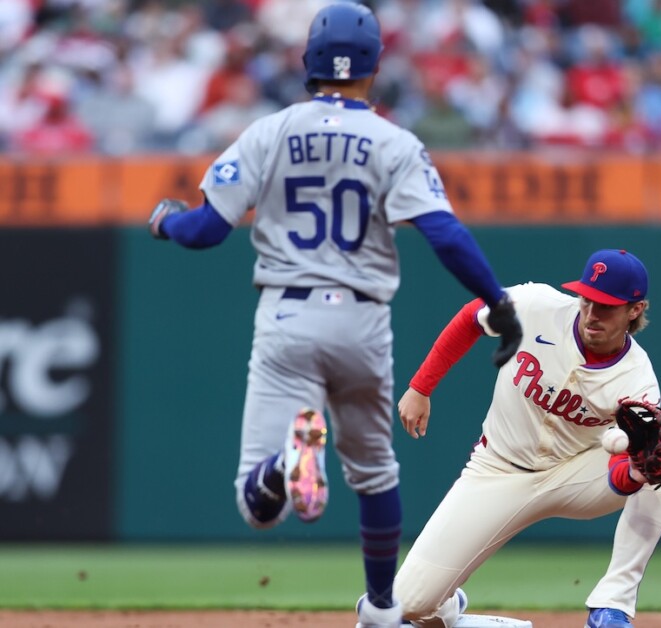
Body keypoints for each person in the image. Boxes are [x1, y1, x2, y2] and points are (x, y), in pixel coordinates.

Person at [145, 4, 523, 628]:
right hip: (361, 320)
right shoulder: (394, 141)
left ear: (308, 62)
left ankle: (285, 466)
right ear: (374, 66)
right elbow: (446, 236)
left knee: (257, 505)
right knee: (375, 472)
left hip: (287, 316)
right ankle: (379, 606)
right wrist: (497, 302)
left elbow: (206, 230)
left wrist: (164, 221)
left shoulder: (269, 131)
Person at [392, 249, 661, 628]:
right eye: (588, 299)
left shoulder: (637, 379)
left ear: (635, 309)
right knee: (405, 606)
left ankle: (611, 605)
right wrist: (421, 386)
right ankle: (449, 605)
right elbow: (471, 317)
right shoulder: (535, 306)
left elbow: (619, 471)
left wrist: (635, 473)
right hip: (497, 470)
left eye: (607, 306)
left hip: (575, 474)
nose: (592, 314)